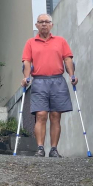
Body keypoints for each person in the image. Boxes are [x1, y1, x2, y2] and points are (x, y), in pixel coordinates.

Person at [21, 14, 78, 158]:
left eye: (47, 22)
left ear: (51, 25)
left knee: (55, 115)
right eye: (41, 22)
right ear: (37, 25)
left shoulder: (61, 41)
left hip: (57, 81)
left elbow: (68, 59)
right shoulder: (31, 42)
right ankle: (40, 148)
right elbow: (27, 62)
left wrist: (72, 75)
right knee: (40, 114)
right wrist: (26, 78)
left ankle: (54, 149)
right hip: (39, 82)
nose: (44, 24)